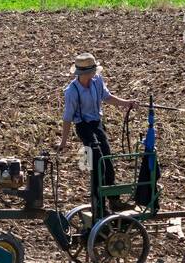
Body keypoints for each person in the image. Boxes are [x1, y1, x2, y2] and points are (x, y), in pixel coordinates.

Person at [58, 53, 136, 215]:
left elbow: (106, 97)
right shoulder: (72, 91)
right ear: (84, 73)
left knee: (107, 158)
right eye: (92, 71)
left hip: (97, 124)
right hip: (83, 127)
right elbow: (67, 118)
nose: (95, 73)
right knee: (97, 161)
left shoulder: (97, 82)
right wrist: (63, 141)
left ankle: (114, 200)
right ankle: (99, 206)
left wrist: (126, 103)